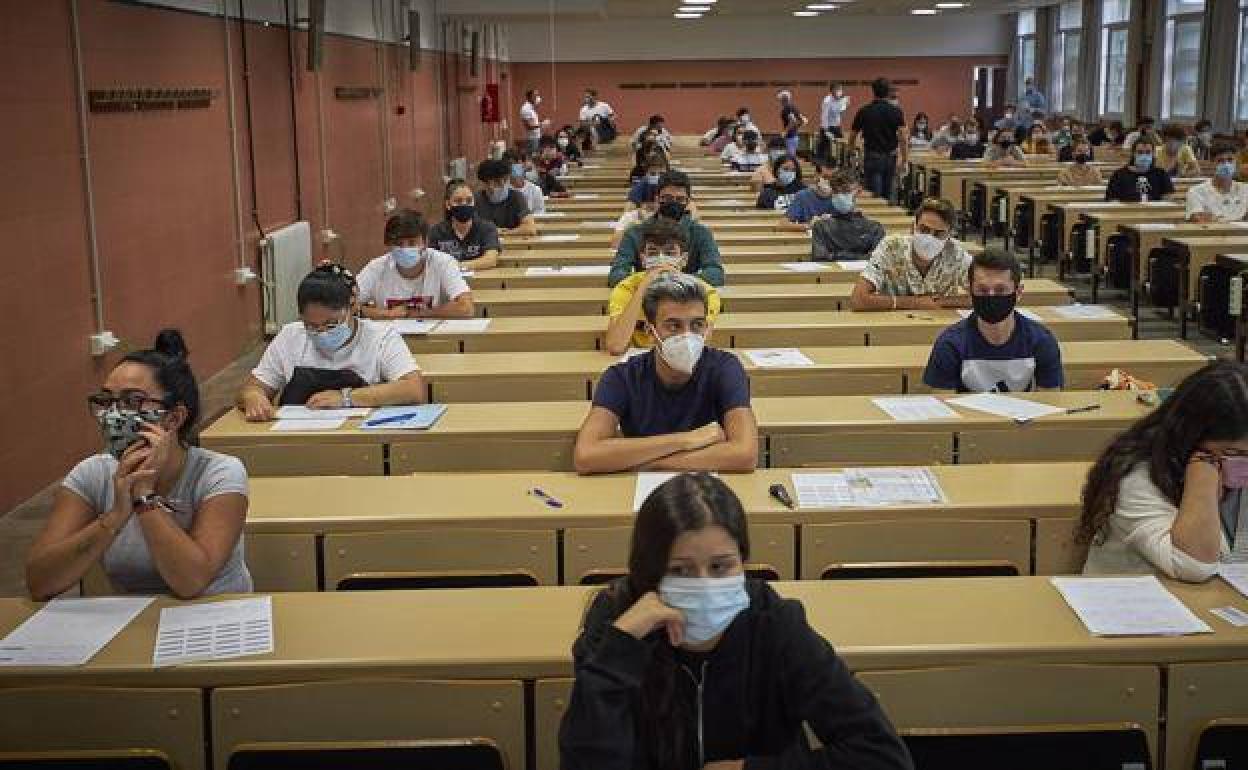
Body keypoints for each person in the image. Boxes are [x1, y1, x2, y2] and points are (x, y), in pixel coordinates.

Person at [558, 473, 913, 768]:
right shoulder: (618, 626)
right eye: (680, 571)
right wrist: (619, 652)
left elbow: (882, 756)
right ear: (651, 574)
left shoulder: (774, 624)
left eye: (720, 567)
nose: (704, 586)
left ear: (743, 562)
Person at [27, 330, 252, 601]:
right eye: (107, 401)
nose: (114, 414)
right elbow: (39, 582)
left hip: (212, 614)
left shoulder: (219, 473)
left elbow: (192, 582)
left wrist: (144, 498)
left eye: (132, 401)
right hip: (132, 621)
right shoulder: (91, 474)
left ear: (174, 418)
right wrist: (113, 519)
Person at [1079, 361, 1248, 581]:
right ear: (1191, 438)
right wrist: (1203, 473)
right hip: (1131, 604)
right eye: (1235, 453)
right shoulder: (1137, 476)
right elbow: (1194, 566)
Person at [574, 276, 758, 475]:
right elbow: (586, 455)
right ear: (651, 332)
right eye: (673, 326)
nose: (687, 335)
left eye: (697, 325)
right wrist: (687, 439)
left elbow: (745, 454)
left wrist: (653, 463)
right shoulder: (621, 377)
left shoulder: (725, 368)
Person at [236, 263, 426, 420]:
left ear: (352, 306)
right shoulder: (290, 337)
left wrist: (346, 398)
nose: (322, 333)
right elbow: (254, 387)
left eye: (331, 324)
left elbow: (414, 389)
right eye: (311, 326)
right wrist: (253, 396)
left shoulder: (381, 338)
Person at [923, 249, 1063, 393]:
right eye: (982, 290)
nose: (991, 296)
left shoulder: (1042, 340)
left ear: (1019, 292)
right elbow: (944, 405)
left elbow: (1050, 400)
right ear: (970, 292)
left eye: (1000, 290)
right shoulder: (950, 343)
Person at [606, 220, 722, 357]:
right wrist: (643, 287)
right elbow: (616, 346)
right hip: (639, 360)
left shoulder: (704, 292)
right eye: (653, 253)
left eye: (670, 253)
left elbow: (697, 349)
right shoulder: (626, 288)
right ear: (643, 258)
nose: (661, 259)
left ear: (683, 259)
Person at [850, 197, 972, 311]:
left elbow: (985, 297)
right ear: (913, 227)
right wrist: (915, 303)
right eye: (924, 230)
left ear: (949, 236)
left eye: (938, 233)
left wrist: (941, 302)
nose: (930, 238)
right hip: (894, 324)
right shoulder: (891, 247)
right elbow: (858, 299)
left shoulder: (956, 253)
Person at [611, 171, 724, 288]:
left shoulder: (701, 233)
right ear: (657, 199)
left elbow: (715, 273)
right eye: (667, 198)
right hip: (646, 296)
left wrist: (680, 283)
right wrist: (650, 283)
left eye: (680, 199)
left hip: (689, 298)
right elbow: (617, 274)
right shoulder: (635, 232)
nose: (673, 203)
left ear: (688, 202)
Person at [356, 210, 474, 321]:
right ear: (389, 245)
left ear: (425, 243)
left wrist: (416, 313)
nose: (405, 248)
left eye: (412, 243)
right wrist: (386, 314)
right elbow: (346, 306)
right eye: (398, 244)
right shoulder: (376, 268)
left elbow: (466, 308)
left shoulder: (443, 262)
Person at [848, 77, 907, 200]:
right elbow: (903, 137)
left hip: (872, 156)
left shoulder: (864, 111)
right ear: (888, 92)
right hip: (891, 157)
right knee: (889, 193)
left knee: (873, 195)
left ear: (873, 91)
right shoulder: (896, 111)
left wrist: (851, 152)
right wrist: (905, 159)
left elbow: (853, 135)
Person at [427, 179, 501, 270]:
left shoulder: (487, 228)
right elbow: (430, 262)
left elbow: (491, 259)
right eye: (458, 201)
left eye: (469, 200)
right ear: (448, 204)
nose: (464, 204)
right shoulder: (436, 231)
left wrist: (458, 266)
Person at [811, 174, 886, 262]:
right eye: (836, 192)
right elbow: (820, 257)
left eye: (846, 191)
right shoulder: (821, 227)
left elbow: (878, 259)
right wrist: (860, 256)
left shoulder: (874, 228)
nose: (840, 196)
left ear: (858, 192)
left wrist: (836, 255)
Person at [1186, 144, 1248, 223]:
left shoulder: (1245, 189)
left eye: (1230, 160)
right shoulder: (1196, 192)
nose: (1226, 165)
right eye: (1220, 161)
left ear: (1236, 162)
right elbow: (1198, 218)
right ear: (1212, 163)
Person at [475, 158, 537, 235]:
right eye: (488, 183)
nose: (502, 185)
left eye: (504, 180)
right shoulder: (475, 199)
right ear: (483, 183)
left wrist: (506, 233)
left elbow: (530, 228)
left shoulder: (517, 197)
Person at [1104, 138, 1175, 202]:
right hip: (1126, 213)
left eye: (1148, 152)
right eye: (1140, 152)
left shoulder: (1161, 174)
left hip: (1155, 214)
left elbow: (1168, 198)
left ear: (1153, 154)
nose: (1144, 156)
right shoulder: (1119, 175)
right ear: (1133, 154)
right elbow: (1112, 199)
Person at [784, 164, 854, 228]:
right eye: (826, 177)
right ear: (816, 176)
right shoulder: (802, 196)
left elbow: (851, 223)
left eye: (834, 179)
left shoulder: (842, 199)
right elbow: (783, 224)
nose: (830, 182)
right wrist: (809, 225)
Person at [819, 82, 850, 161]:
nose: (840, 91)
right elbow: (824, 115)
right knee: (825, 148)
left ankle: (842, 163)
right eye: (838, 90)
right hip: (827, 127)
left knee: (843, 145)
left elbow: (840, 110)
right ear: (832, 91)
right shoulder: (827, 101)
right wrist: (825, 130)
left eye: (841, 89)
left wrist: (846, 104)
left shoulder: (841, 99)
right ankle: (822, 166)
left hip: (836, 126)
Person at [777, 90, 807, 157]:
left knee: (790, 158)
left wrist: (785, 132)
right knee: (792, 158)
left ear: (783, 99)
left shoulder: (786, 109)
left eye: (780, 99)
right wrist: (796, 127)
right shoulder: (794, 107)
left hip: (790, 137)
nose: (780, 101)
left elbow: (792, 120)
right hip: (795, 136)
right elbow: (804, 120)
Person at [520, 88, 548, 155]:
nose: (538, 97)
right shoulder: (526, 109)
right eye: (536, 95)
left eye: (538, 95)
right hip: (532, 139)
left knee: (537, 155)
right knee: (533, 157)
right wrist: (543, 124)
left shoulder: (531, 108)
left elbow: (534, 123)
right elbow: (529, 126)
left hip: (536, 137)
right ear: (530, 97)